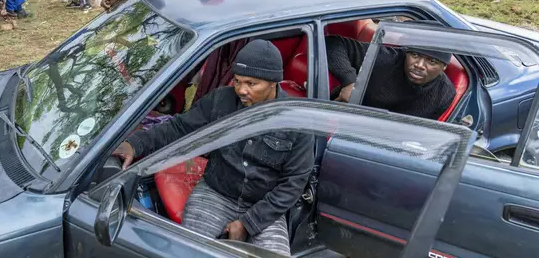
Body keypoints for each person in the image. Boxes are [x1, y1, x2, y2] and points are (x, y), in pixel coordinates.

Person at [113, 40, 314, 256]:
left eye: (251, 84)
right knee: (189, 252)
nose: (241, 90)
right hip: (216, 193)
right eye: (237, 81)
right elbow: (179, 127)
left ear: (273, 82)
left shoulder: (296, 121)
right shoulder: (221, 101)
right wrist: (136, 144)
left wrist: (248, 223)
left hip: (265, 207)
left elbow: (293, 184)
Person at [325, 34, 456, 120]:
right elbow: (332, 43)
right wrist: (349, 81)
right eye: (415, 55)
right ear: (406, 53)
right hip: (341, 119)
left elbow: (421, 134)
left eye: (432, 61)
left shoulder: (444, 94)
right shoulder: (385, 58)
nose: (419, 65)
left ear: (444, 67)